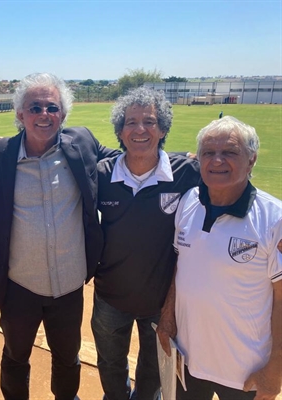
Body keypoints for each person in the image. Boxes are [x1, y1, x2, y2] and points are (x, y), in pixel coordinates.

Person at [0, 72, 119, 400]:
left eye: (52, 108)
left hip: (70, 284)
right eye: (35, 107)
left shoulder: (82, 143)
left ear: (63, 114)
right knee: (16, 357)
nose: (44, 115)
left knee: (68, 359)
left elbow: (129, 161)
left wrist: (180, 161)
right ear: (20, 115)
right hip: (19, 285)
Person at [157, 116, 282, 400]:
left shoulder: (275, 218)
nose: (217, 161)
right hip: (188, 360)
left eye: (229, 152)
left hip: (245, 372)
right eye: (208, 153)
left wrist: (276, 369)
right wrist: (166, 319)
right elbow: (182, 268)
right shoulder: (189, 201)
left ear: (251, 160)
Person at [91, 87, 200, 400]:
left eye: (149, 122)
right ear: (121, 132)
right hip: (110, 296)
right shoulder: (101, 174)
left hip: (162, 302)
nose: (140, 129)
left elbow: (231, 187)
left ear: (162, 129)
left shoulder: (187, 172)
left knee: (152, 374)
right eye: (131, 122)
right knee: (110, 366)